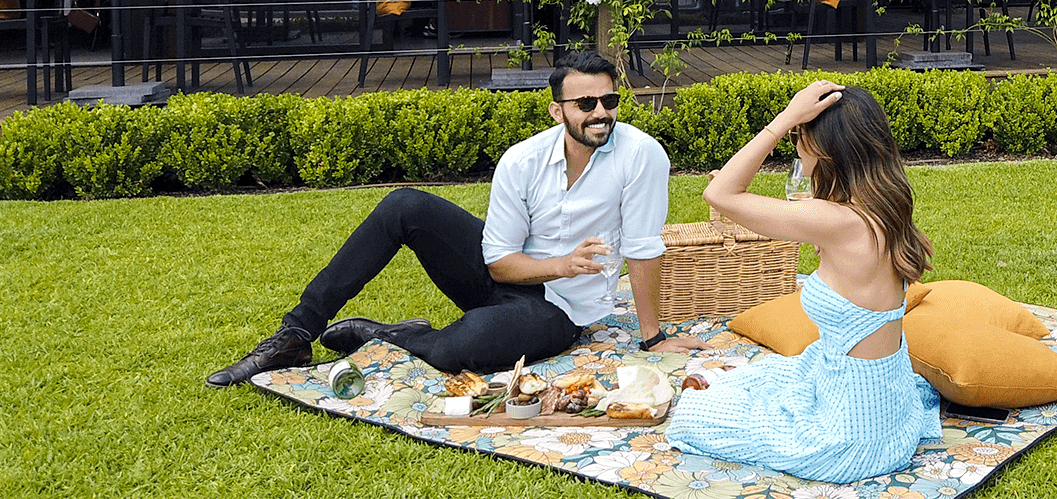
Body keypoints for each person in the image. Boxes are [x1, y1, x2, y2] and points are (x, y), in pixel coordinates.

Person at [205, 51, 708, 388]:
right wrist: (560, 262)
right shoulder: (522, 161)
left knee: (457, 350)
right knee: (404, 204)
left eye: (609, 100)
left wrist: (653, 336)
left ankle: (387, 335)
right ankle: (295, 335)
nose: (600, 113)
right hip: (509, 277)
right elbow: (498, 265)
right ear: (557, 111)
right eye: (585, 103)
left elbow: (644, 246)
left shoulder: (642, 156)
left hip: (561, 312)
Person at [667, 81, 942, 483]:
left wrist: (785, 119)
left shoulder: (837, 222)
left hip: (852, 436)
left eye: (800, 136)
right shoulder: (883, 203)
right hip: (885, 404)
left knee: (696, 413)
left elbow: (720, 193)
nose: (797, 143)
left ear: (826, 147)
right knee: (762, 375)